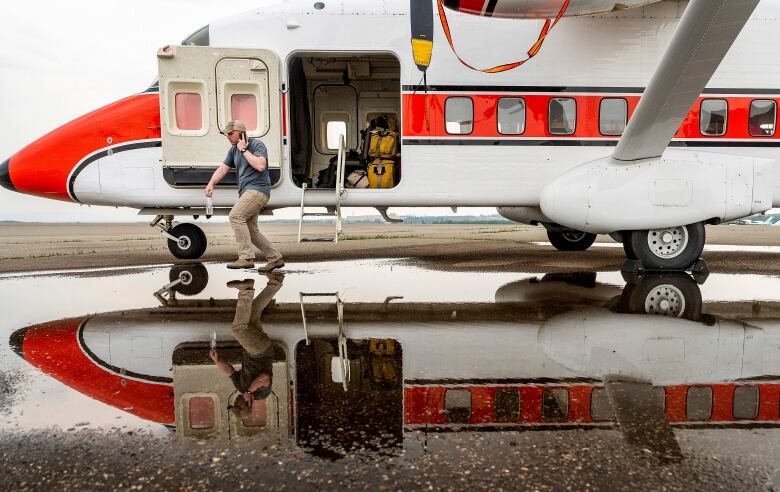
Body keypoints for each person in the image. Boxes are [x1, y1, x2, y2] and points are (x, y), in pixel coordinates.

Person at [204, 120, 284, 271]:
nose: (228, 136)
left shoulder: (256, 145)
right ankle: (275, 258)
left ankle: (246, 257)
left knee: (235, 216)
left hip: (258, 190)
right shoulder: (233, 150)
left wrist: (243, 150)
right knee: (251, 231)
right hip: (247, 192)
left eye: (231, 133)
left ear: (241, 133)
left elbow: (261, 166)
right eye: (227, 133)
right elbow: (223, 169)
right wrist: (211, 183)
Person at [209, 273, 284, 418]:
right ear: (248, 405)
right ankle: (245, 291)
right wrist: (250, 390)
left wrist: (217, 361)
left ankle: (275, 282)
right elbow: (264, 377)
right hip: (260, 351)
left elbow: (230, 371)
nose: (236, 401)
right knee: (238, 329)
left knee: (253, 312)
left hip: (255, 350)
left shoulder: (241, 389)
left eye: (234, 404)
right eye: (238, 405)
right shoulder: (262, 394)